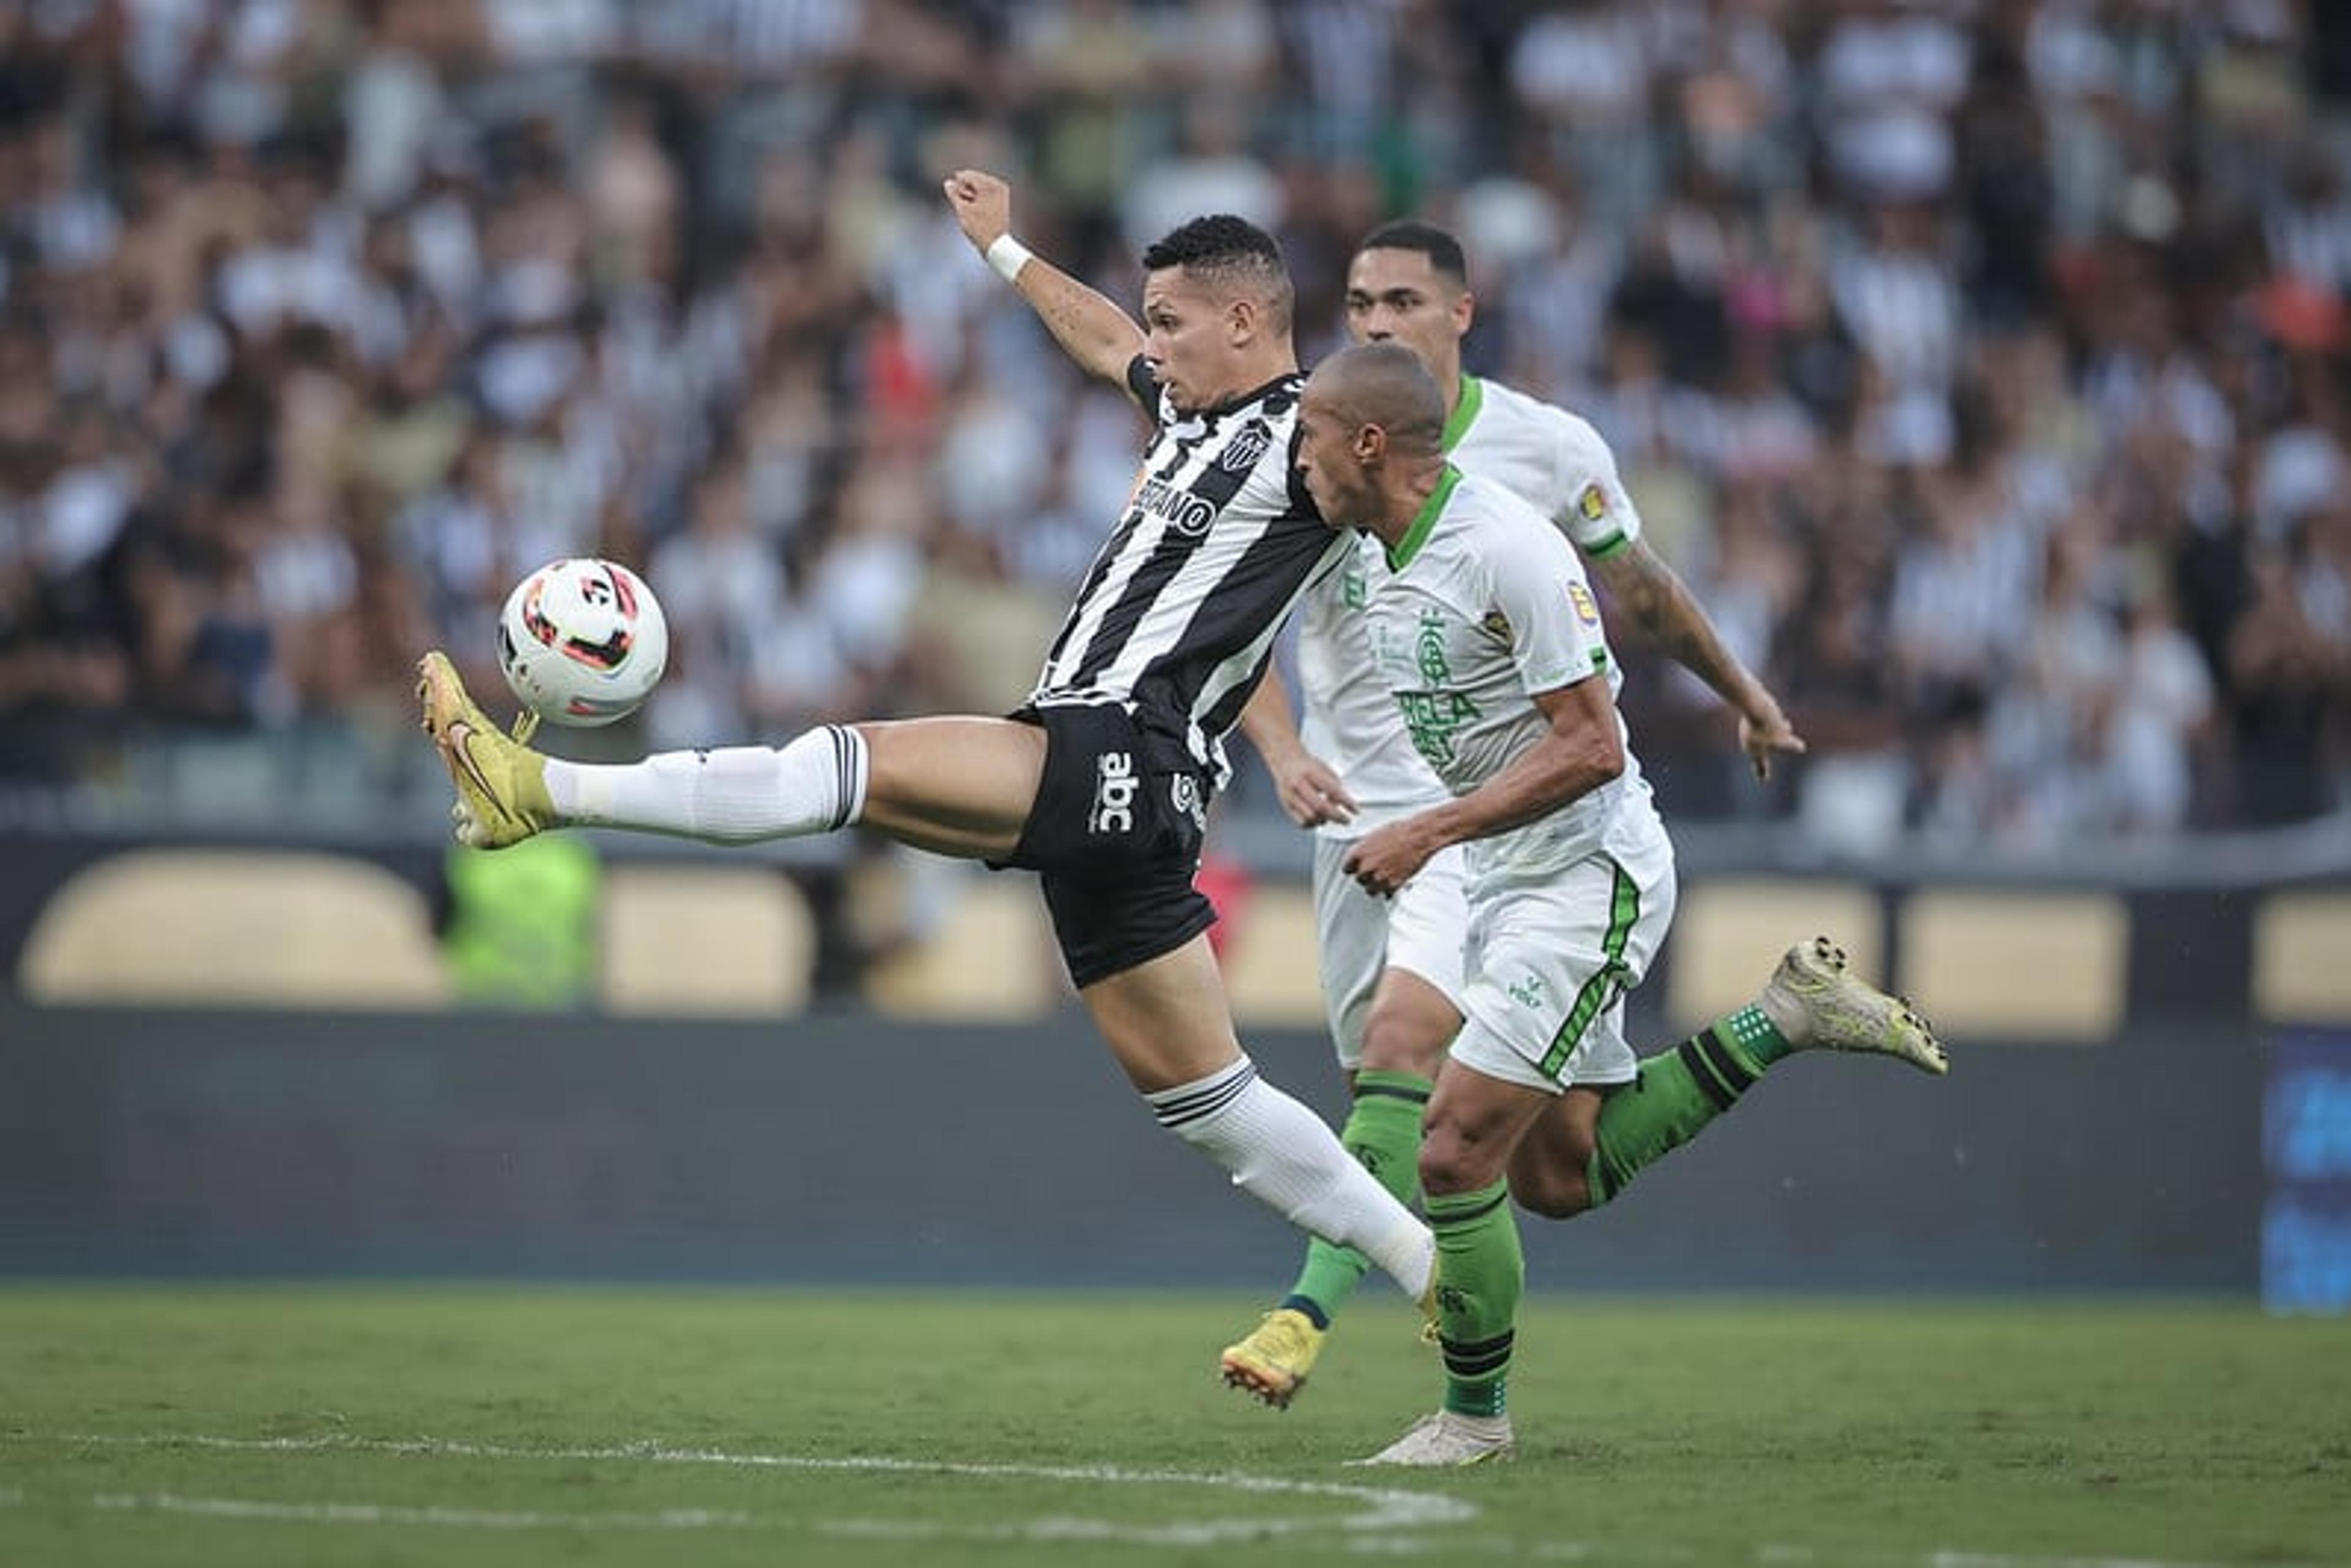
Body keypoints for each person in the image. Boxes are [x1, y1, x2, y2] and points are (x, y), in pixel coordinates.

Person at [412, 171, 1437, 1317]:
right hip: (1141, 793)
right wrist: (1004, 248)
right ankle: (1440, 1273)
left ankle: (542, 789)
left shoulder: (1309, 434)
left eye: (1173, 322)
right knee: (1217, 1109)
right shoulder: (1191, 413)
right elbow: (1102, 337)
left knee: (853, 764)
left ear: (1246, 320)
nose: (1153, 341)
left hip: (1123, 743)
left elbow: (1403, 483)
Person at [1289, 342, 1944, 1465]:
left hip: (1586, 877)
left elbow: (1594, 745)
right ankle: (1786, 1015)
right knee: (1561, 1174)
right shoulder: (1376, 551)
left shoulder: (1506, 547)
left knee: (1451, 1149)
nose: (1296, 458)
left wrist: (1427, 830)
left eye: (1309, 435)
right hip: (1508, 879)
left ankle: (1473, 1421)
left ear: (1368, 445)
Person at [1220, 221, 1808, 1409]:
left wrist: (1743, 693)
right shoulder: (1320, 446)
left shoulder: (1543, 457)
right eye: (1358, 300)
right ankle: (1778, 1024)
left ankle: (1310, 1315)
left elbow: (1640, 591)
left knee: (1406, 1076)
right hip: (1355, 831)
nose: (1376, 319)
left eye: (1399, 299)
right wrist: (1281, 754)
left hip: (1480, 827)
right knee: (1555, 1167)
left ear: (1461, 312)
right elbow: (1236, 635)